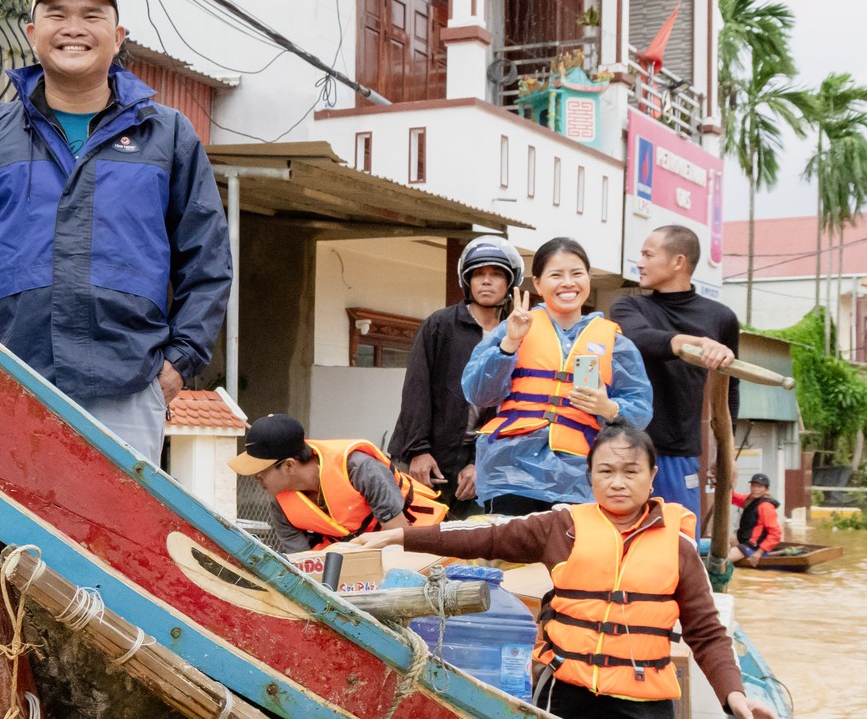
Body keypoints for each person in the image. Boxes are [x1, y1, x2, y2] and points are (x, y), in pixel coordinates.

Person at [0, 0, 230, 464]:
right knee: (11, 535)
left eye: (91, 15)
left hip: (128, 386)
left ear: (117, 37)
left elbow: (207, 262)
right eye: (57, 14)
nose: (73, 27)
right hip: (11, 381)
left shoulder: (169, 137)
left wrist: (178, 362)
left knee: (113, 537)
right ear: (33, 34)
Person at [352, 424, 783, 719]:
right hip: (565, 695)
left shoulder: (679, 548)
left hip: (642, 708)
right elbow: (480, 537)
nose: (618, 482)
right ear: (590, 477)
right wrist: (399, 535)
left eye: (631, 471)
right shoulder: (561, 527)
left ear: (652, 477)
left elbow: (707, 633)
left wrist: (735, 696)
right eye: (606, 471)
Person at [461, 237, 651, 514]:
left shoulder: (616, 343)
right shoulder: (512, 328)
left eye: (577, 273)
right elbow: (479, 394)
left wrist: (608, 408)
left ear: (588, 278)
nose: (568, 283)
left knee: (568, 556)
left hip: (579, 474)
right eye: (556, 275)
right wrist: (510, 344)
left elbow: (641, 411)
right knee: (513, 556)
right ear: (537, 283)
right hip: (510, 471)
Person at [611, 224, 740, 531]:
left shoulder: (721, 318)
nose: (639, 262)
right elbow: (639, 338)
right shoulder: (628, 305)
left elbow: (731, 389)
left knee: (680, 547)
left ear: (678, 262)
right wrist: (696, 344)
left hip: (678, 455)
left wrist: (727, 454)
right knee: (617, 548)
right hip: (623, 448)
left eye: (647, 254)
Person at [388, 235, 518, 517]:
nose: (486, 280)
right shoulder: (441, 324)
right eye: (479, 274)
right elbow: (416, 389)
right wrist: (418, 451)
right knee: (412, 539)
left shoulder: (516, 333)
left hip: (476, 458)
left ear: (510, 283)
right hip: (428, 453)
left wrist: (479, 463)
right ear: (467, 281)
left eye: (496, 274)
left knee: (466, 547)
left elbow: (510, 406)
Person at [229, 414, 445, 552]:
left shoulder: (360, 469)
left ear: (289, 466)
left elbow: (400, 540)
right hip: (360, 564)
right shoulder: (281, 507)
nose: (257, 480)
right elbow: (302, 566)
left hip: (425, 544)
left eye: (260, 473)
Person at [733, 472, 785, 562]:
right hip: (744, 541)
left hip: (753, 546)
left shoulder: (766, 506)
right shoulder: (749, 500)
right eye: (753, 486)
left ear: (766, 490)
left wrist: (759, 553)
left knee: (723, 561)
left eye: (759, 487)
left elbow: (775, 534)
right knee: (730, 538)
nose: (755, 489)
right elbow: (733, 497)